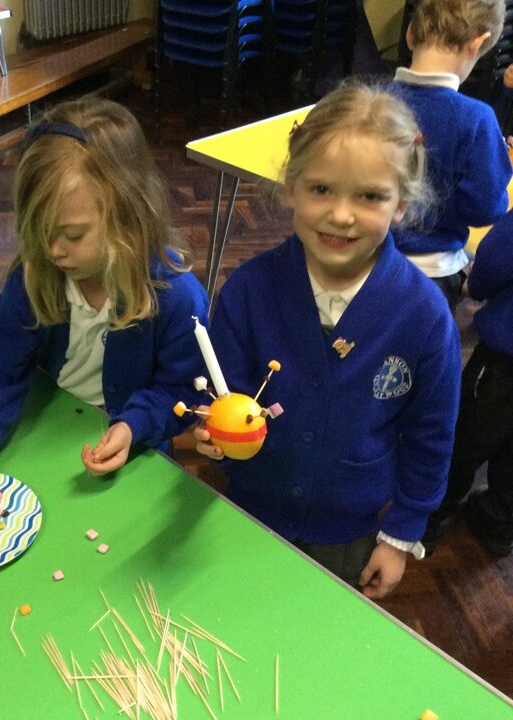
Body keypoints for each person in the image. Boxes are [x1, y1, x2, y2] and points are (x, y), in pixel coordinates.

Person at [193, 84, 461, 599]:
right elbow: (224, 396)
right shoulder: (249, 290)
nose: (341, 215)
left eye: (370, 196)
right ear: (290, 188)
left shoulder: (424, 316)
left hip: (351, 533)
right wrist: (215, 439)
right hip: (248, 510)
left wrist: (401, 533)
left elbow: (431, 436)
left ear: (401, 204)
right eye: (321, 189)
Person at [0, 95, 209, 519]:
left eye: (73, 235)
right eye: (40, 231)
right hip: (41, 441)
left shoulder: (176, 296)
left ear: (128, 216)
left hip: (134, 461)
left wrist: (132, 425)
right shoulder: (34, 276)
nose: (53, 250)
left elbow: (184, 391)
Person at [390, 0, 511, 311]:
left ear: (410, 34)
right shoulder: (476, 119)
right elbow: (484, 209)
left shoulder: (365, 100)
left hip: (359, 257)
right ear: (478, 44)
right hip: (432, 273)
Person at [423, 208, 513, 557]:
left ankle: (429, 520)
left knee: (466, 437)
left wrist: (476, 286)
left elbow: (496, 258)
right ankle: (498, 522)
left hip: (504, 360)